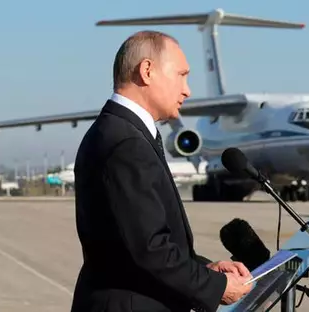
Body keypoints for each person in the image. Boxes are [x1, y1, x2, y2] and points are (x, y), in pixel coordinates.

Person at [70, 31, 252, 312]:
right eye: (181, 75)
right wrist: (216, 287)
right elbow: (150, 249)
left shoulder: (120, 131)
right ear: (147, 71)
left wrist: (206, 269)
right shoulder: (126, 142)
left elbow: (134, 244)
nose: (187, 90)